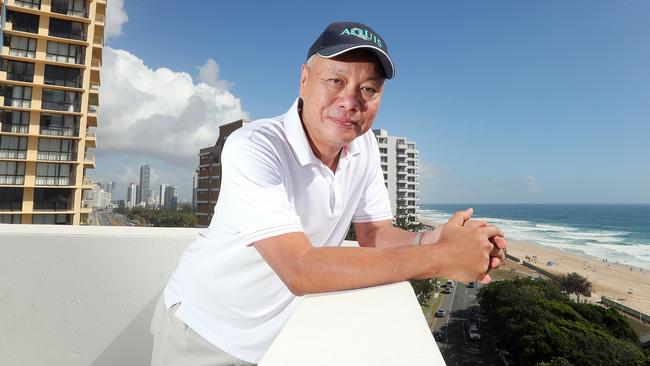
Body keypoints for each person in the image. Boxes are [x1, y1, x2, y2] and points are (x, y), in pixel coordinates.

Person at [150, 21, 507, 366]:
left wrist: (433, 238)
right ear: (304, 80)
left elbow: (375, 234)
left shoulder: (363, 147)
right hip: (204, 332)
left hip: (281, 340)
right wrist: (443, 258)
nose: (351, 100)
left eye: (369, 88)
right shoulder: (256, 146)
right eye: (336, 80)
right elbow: (300, 268)